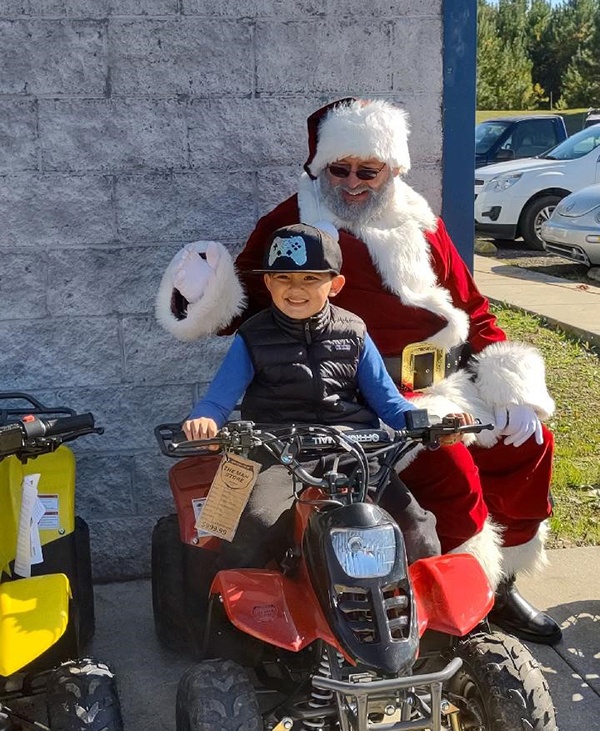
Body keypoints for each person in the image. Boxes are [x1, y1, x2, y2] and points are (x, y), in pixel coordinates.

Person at [156, 98, 560, 645]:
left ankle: (499, 582)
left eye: (367, 170)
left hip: (435, 382)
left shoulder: (421, 222)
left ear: (392, 169)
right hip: (355, 393)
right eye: (338, 170)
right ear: (319, 167)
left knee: (528, 444)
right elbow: (247, 310)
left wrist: (509, 384)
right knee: (452, 466)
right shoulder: (290, 222)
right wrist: (206, 293)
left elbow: (472, 308)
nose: (352, 184)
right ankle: (461, 598)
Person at [183, 222, 472, 570]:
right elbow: (218, 399)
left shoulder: (355, 332)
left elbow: (390, 403)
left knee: (417, 527)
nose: (295, 289)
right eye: (283, 279)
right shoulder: (251, 336)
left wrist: (434, 424)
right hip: (280, 455)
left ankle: (422, 617)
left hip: (356, 453)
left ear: (335, 285)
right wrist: (205, 421)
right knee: (254, 527)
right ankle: (235, 621)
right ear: (267, 283)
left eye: (309, 279)